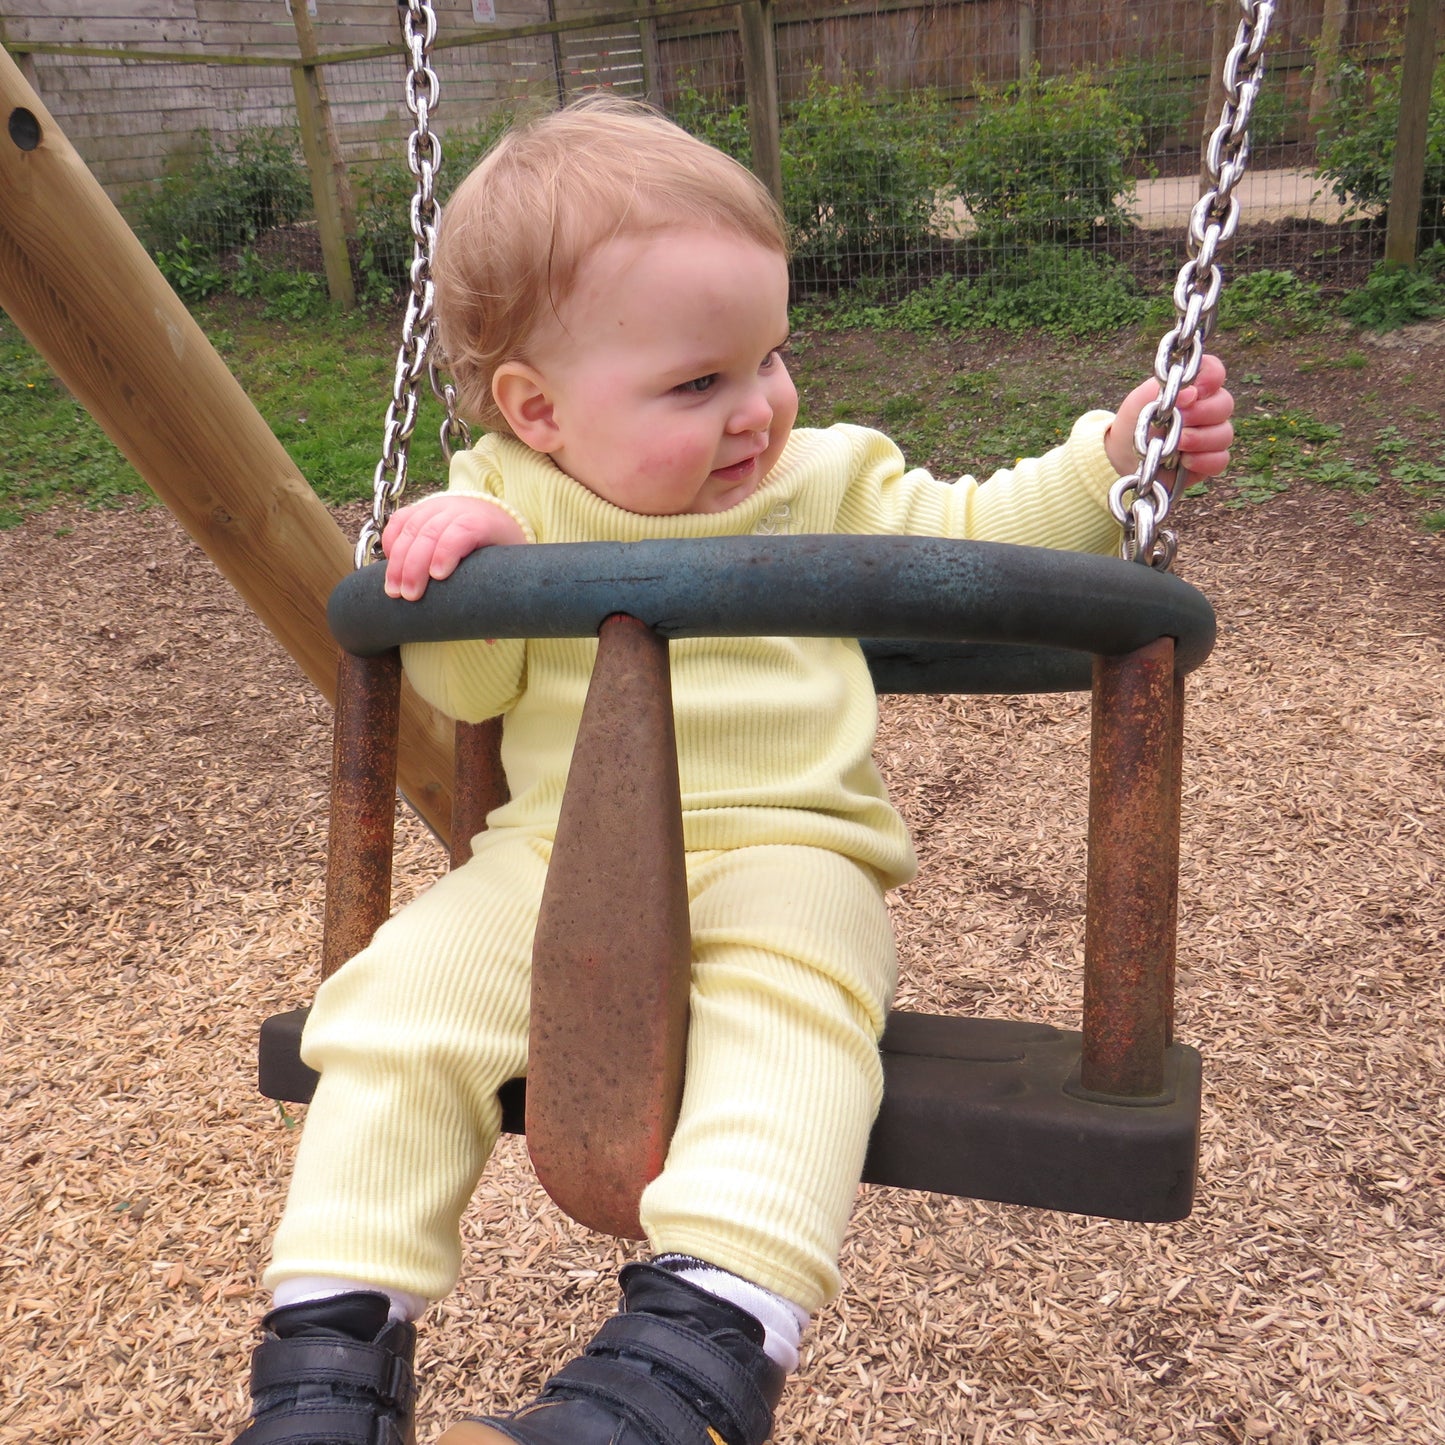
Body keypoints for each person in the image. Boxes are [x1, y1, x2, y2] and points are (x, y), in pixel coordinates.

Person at [234, 94, 1234, 1445]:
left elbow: (976, 529)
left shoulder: (821, 479)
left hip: (789, 851)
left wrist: (1108, 460)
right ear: (536, 412)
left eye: (769, 356)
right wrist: (458, 560)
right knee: (393, 1009)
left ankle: (693, 1353)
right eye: (697, 383)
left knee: (798, 1023)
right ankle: (328, 1348)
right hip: (549, 865)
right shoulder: (505, 499)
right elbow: (467, 691)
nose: (757, 406)